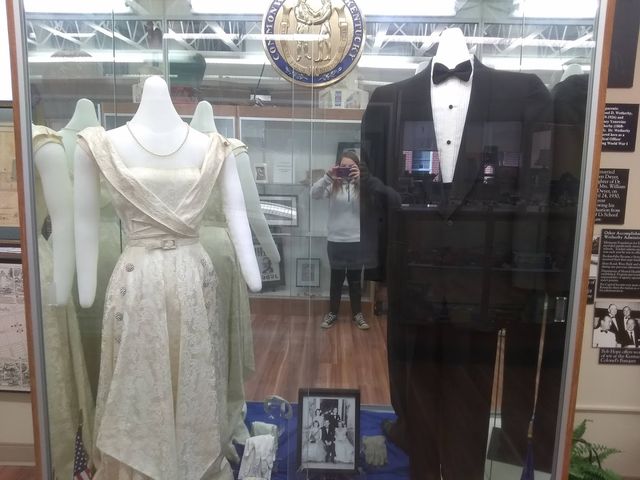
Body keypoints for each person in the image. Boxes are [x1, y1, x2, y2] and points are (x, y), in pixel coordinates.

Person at [312, 151, 369, 330]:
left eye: (351, 167)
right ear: (337, 166)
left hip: (357, 241)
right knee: (336, 280)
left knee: (355, 281)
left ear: (357, 167)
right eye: (343, 166)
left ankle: (357, 314)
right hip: (335, 240)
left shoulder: (364, 186)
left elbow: (376, 201)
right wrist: (328, 176)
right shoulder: (332, 184)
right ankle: (333, 313)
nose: (346, 170)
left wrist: (361, 181)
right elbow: (314, 194)